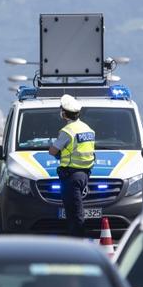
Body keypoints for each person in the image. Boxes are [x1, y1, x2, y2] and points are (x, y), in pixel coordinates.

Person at [48, 94, 95, 238]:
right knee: (76, 209)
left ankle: (77, 242)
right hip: (85, 174)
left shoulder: (67, 131)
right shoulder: (87, 128)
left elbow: (53, 151)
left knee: (74, 213)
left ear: (63, 113)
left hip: (71, 176)